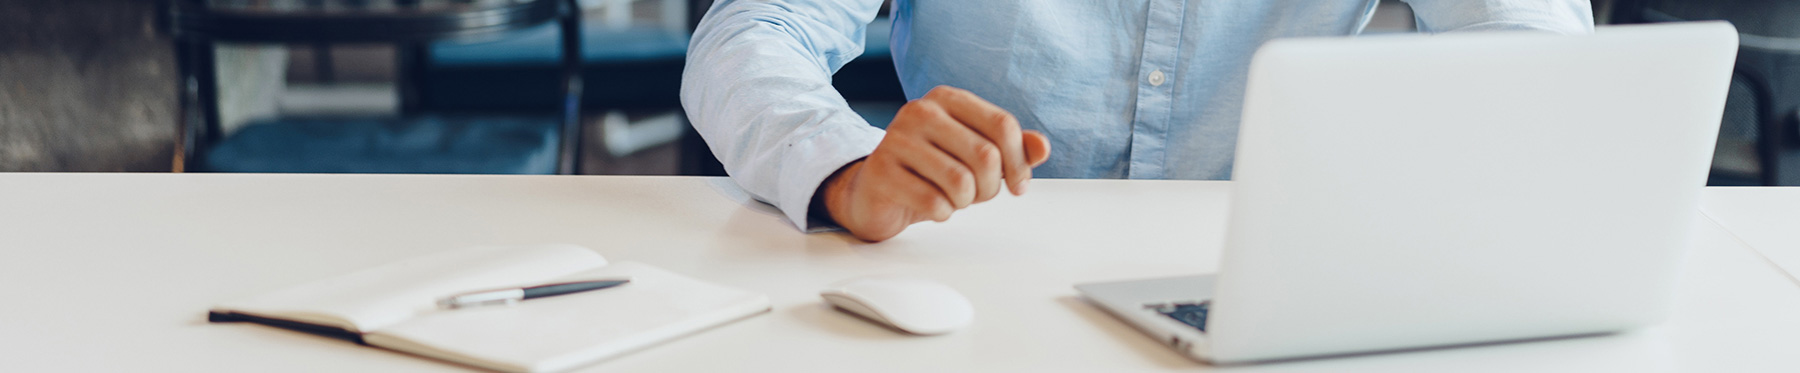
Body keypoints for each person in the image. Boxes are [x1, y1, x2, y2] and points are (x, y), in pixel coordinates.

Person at [681, 1, 1594, 241]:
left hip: (1268, 261)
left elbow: (1534, 42)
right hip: (983, 263)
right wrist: (847, 168)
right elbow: (750, 32)